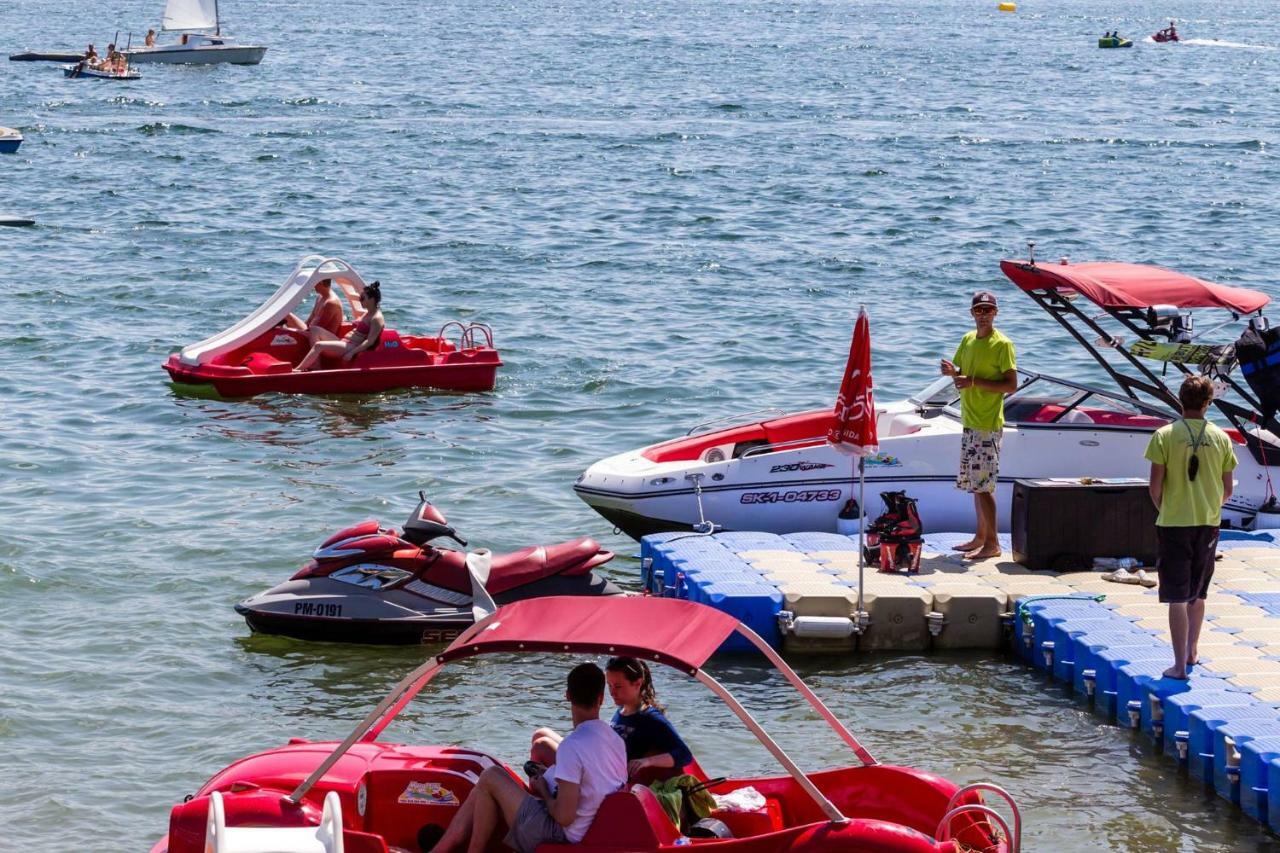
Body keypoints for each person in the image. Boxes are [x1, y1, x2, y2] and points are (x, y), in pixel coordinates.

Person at [430, 663, 626, 853]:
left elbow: (564, 817)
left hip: (561, 836)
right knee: (486, 787)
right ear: (601, 698)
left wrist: (544, 791)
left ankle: (450, 848)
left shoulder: (572, 746)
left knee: (491, 776)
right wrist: (551, 775)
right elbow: (592, 785)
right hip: (593, 830)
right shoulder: (616, 741)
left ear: (567, 696)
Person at [1145, 375, 1237, 680]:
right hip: (1208, 523)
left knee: (1176, 597)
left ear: (1180, 400)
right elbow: (1228, 490)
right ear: (1208, 403)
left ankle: (1178, 666)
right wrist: (1211, 507)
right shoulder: (1222, 438)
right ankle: (1192, 651)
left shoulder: (1164, 435)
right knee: (1199, 593)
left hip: (1174, 523)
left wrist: (1167, 509)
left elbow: (1154, 488)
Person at [940, 291, 1018, 560]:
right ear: (972, 313)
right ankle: (980, 537)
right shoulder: (968, 340)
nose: (983, 315)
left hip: (987, 423)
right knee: (976, 483)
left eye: (988, 310)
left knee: (983, 485)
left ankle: (993, 544)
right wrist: (953, 373)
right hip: (970, 420)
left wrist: (972, 382)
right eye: (979, 310)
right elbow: (961, 379)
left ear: (996, 313)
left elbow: (1010, 385)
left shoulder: (1002, 344)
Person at [533, 657, 693, 782]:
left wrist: (647, 762)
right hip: (600, 763)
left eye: (618, 687)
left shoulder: (651, 718)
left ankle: (541, 795)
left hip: (609, 775)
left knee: (542, 746)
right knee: (541, 733)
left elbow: (684, 754)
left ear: (637, 684)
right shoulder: (621, 711)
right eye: (609, 686)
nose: (612, 692)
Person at [294, 280, 384, 371]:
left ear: (372, 299)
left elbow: (370, 341)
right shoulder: (368, 313)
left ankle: (299, 369)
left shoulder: (376, 318)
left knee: (319, 345)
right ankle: (315, 365)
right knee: (315, 330)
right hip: (345, 342)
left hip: (352, 346)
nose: (360, 300)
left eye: (362, 298)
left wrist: (352, 353)